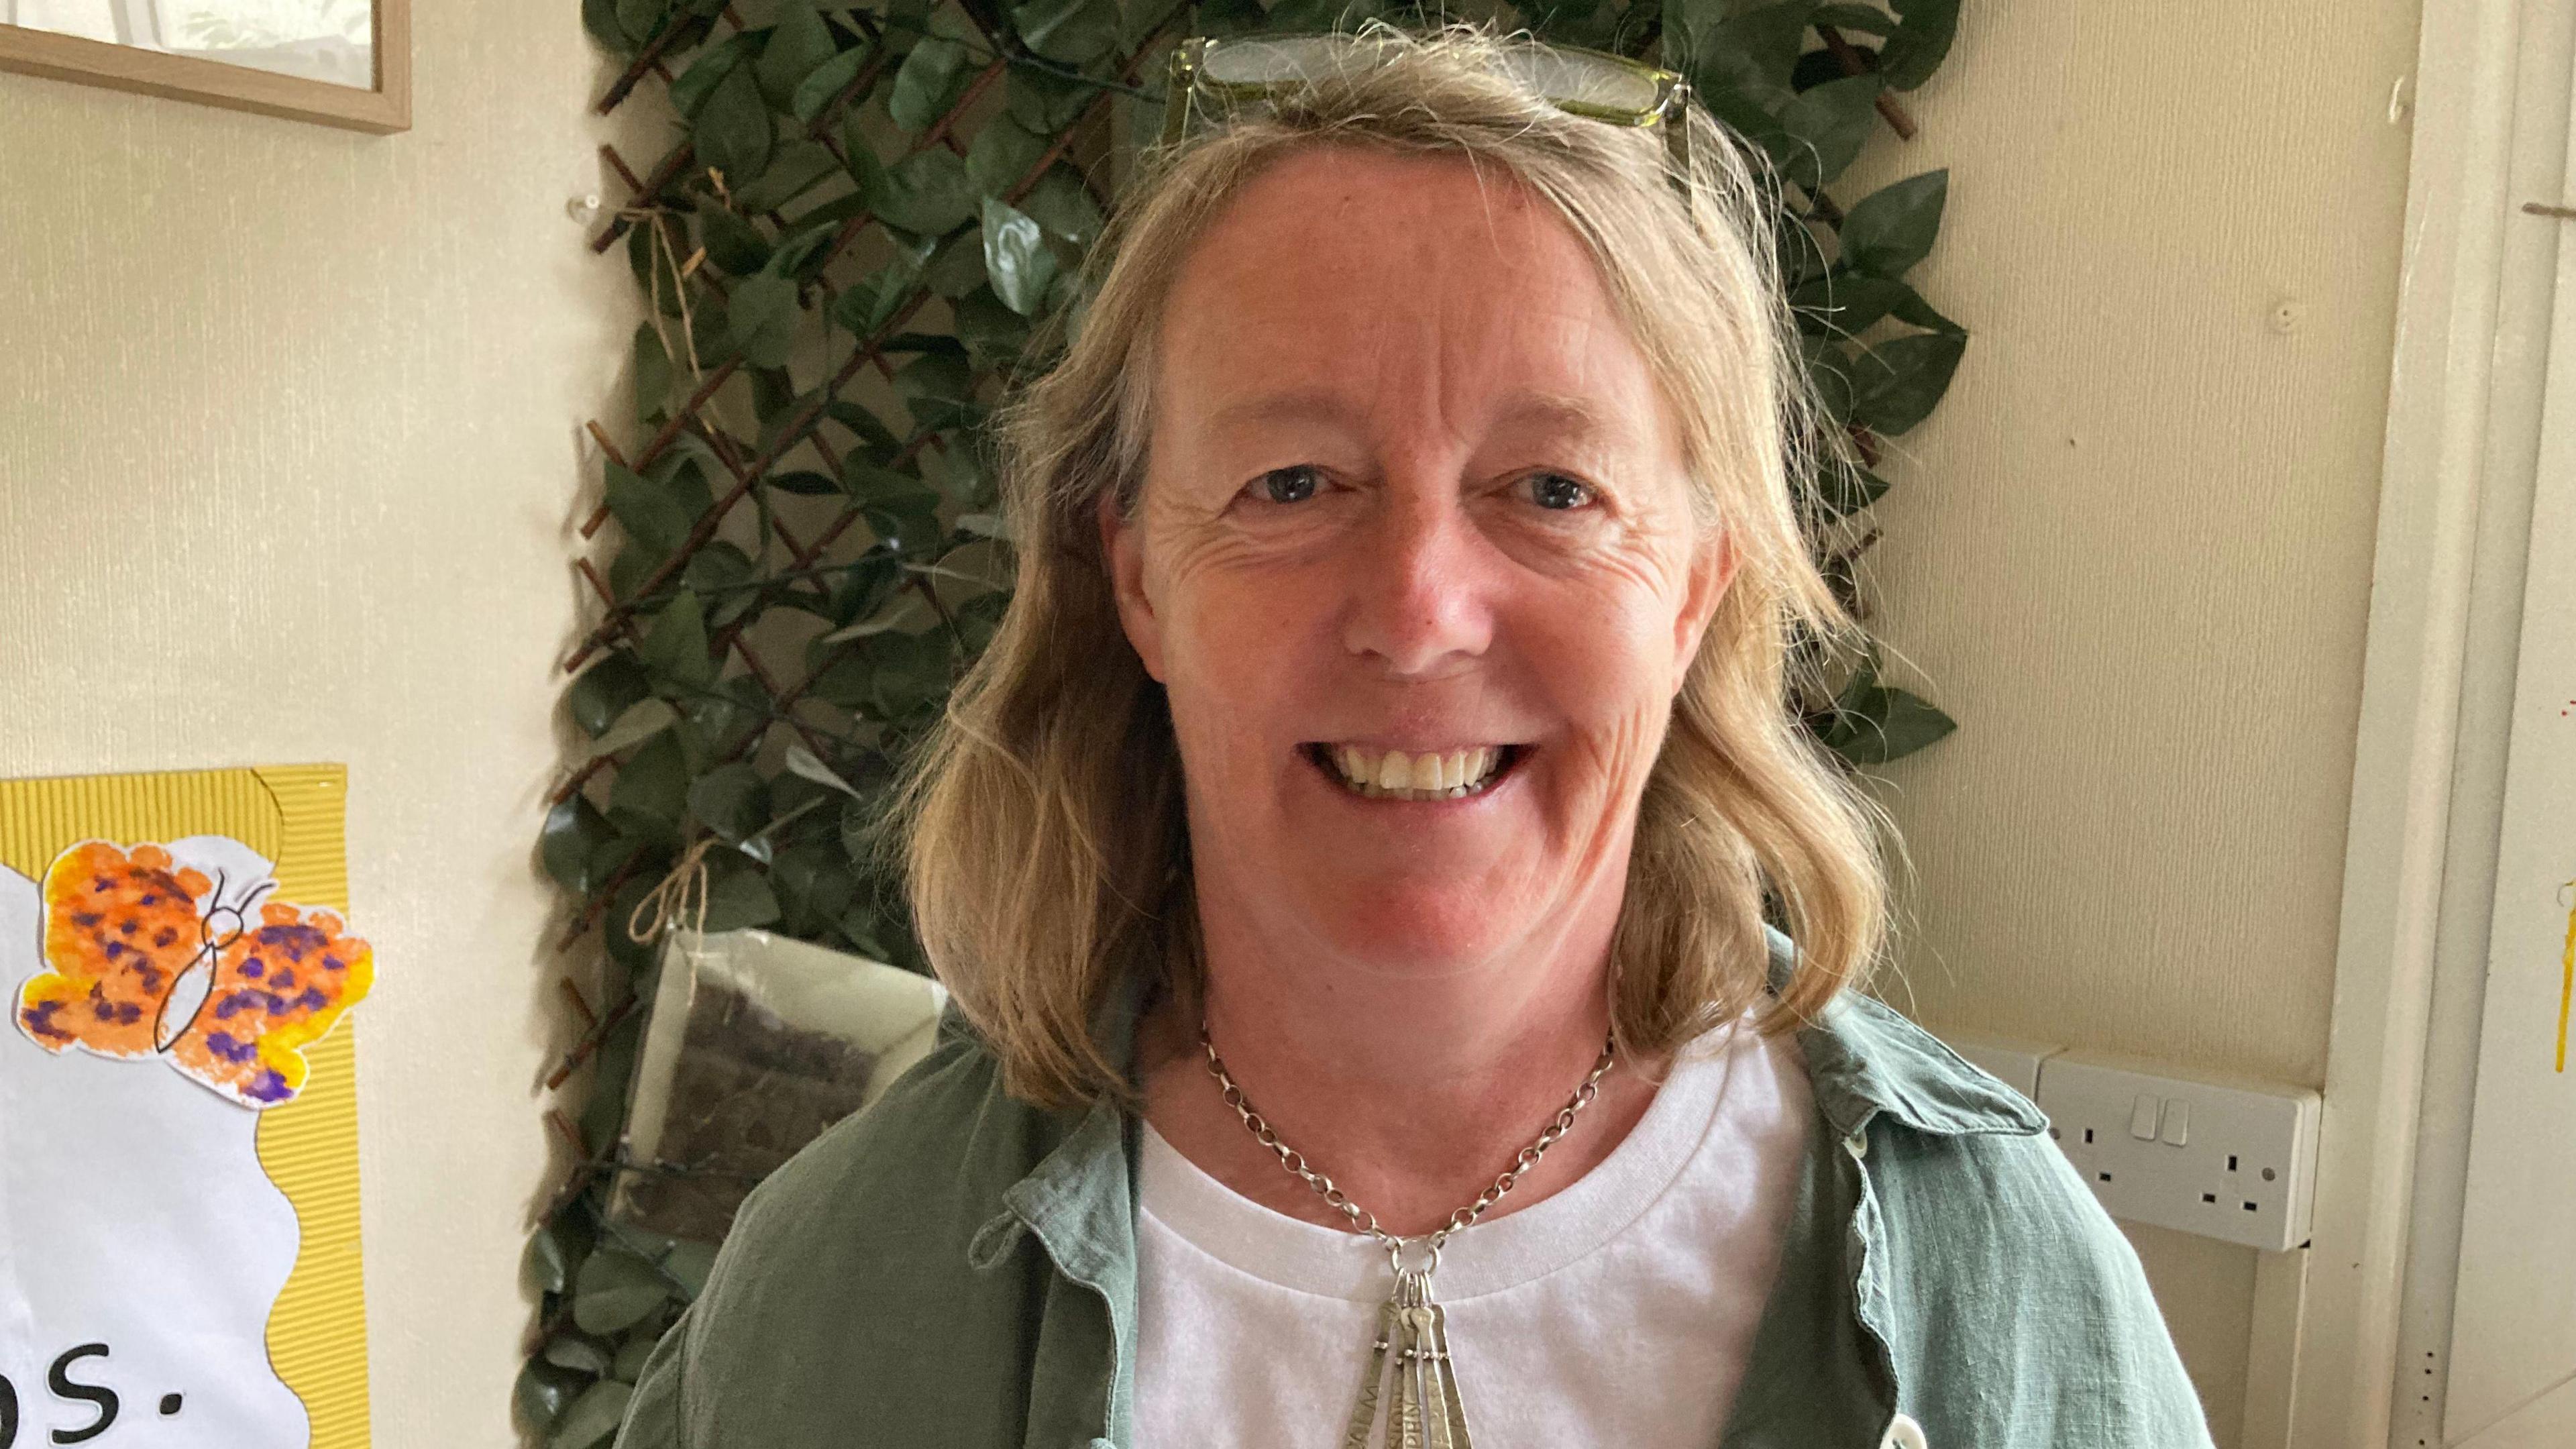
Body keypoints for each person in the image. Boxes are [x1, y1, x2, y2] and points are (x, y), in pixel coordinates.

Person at [615, 21, 2212, 1449]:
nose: (1422, 610)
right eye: (1292, 484)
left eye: (1555, 491)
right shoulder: (844, 1291)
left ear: (1693, 598)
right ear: (1138, 583)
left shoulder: (1985, 1269)